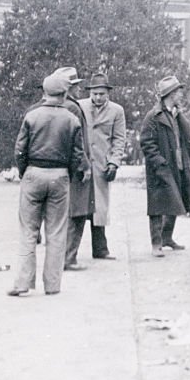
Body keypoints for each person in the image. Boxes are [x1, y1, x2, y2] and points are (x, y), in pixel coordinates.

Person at [7, 74, 86, 297]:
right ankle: (52, 285)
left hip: (33, 173)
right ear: (64, 94)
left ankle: (23, 282)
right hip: (60, 176)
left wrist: (25, 172)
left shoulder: (32, 116)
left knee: (28, 231)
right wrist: (66, 175)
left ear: (44, 92)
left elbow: (19, 150)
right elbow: (77, 155)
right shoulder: (72, 119)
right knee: (57, 232)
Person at [140, 76, 190, 256]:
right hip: (161, 168)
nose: (180, 94)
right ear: (169, 94)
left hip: (178, 164)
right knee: (157, 205)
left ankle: (167, 238)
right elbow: (146, 143)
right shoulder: (153, 116)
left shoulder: (176, 114)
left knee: (176, 199)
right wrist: (160, 163)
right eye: (177, 91)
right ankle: (156, 244)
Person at [77, 72, 127, 261]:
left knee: (99, 208)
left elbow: (119, 139)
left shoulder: (117, 111)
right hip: (82, 163)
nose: (98, 97)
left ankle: (100, 248)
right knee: (79, 205)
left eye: (102, 94)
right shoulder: (80, 106)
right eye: (95, 93)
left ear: (108, 93)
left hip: (102, 165)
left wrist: (114, 163)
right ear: (90, 92)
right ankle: (70, 251)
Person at [49, 67, 94, 270]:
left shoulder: (52, 106)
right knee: (77, 213)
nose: (77, 89)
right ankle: (69, 258)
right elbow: (79, 141)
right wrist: (84, 165)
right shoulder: (73, 108)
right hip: (76, 168)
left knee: (62, 214)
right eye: (74, 86)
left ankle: (61, 257)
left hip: (59, 166)